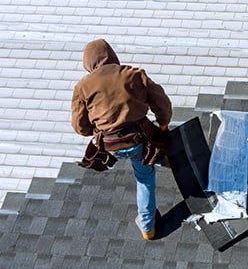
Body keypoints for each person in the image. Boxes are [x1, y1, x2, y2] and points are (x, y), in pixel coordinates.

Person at [71, 39, 173, 240]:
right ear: (112, 56)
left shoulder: (82, 88)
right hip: (139, 139)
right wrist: (162, 125)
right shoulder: (133, 74)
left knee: (141, 157)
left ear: (88, 63)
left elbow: (80, 127)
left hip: (110, 146)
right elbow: (162, 104)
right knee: (144, 177)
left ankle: (164, 160)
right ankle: (147, 227)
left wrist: (101, 129)